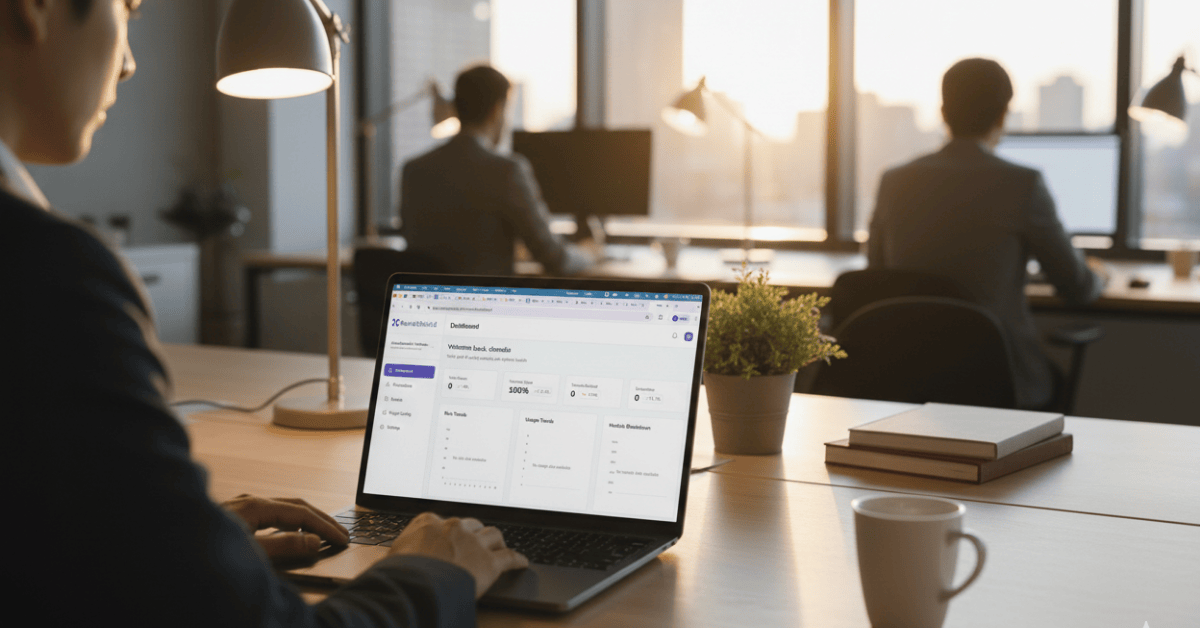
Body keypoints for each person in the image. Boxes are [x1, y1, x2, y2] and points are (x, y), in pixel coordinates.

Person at [3, 1, 525, 625]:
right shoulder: (45, 276)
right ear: (36, 7)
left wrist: (174, 545)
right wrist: (434, 572)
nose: (130, 63)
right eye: (129, 9)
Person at [866, 58, 1107, 410]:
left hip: (909, 377)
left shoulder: (894, 180)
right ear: (1003, 115)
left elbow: (876, 275)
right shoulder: (1023, 183)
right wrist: (1099, 274)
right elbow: (1077, 287)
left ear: (943, 112)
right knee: (1052, 379)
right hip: (997, 380)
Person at [399, 64, 595, 275]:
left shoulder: (412, 171)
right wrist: (590, 253)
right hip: (484, 296)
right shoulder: (507, 171)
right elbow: (556, 259)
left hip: (426, 296)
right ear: (497, 110)